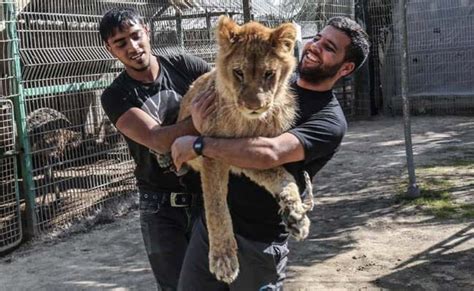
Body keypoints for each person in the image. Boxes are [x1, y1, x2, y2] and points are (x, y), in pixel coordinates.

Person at [171, 16, 370, 290]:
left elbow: (265, 154)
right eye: (318, 38)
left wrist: (199, 143)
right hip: (211, 225)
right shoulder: (279, 77)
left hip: (259, 240)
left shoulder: (329, 120)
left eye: (329, 48)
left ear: (345, 67)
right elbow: (219, 154)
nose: (314, 47)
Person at [98, 7, 211, 290]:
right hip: (159, 205)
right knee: (175, 286)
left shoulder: (183, 64)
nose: (133, 47)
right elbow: (158, 139)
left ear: (147, 32)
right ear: (110, 49)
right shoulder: (115, 95)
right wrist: (201, 119)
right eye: (121, 43)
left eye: (136, 36)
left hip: (206, 191)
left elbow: (226, 94)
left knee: (216, 281)